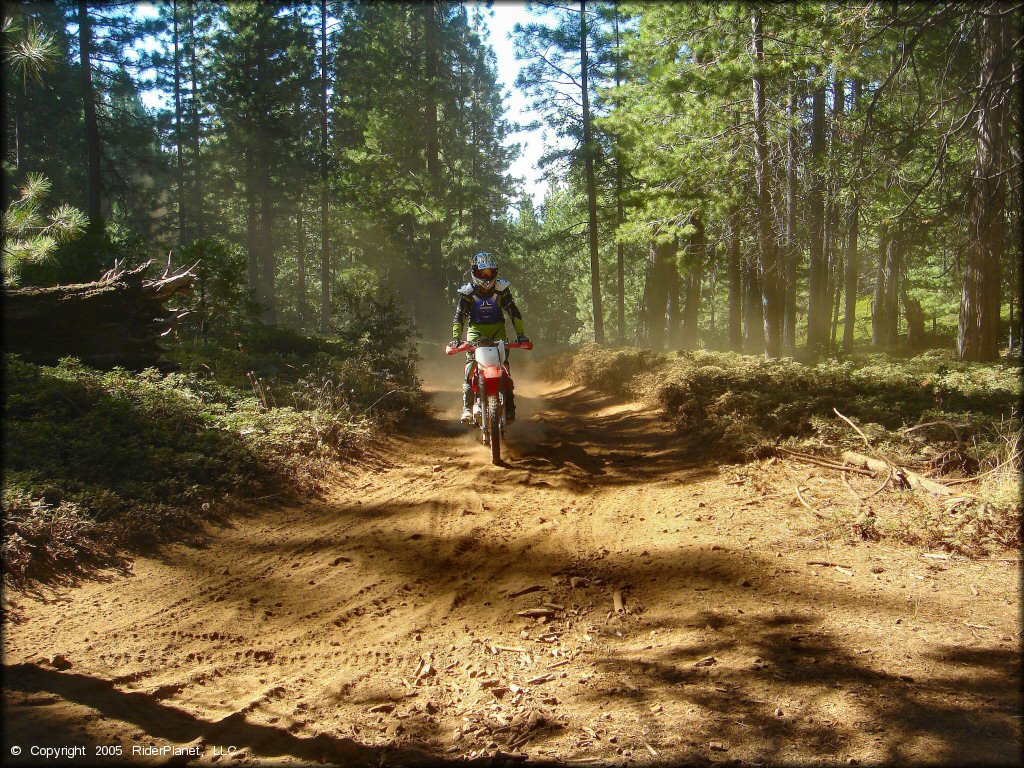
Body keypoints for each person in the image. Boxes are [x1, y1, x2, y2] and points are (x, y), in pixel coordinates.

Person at [451, 252, 529, 424]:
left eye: (489, 272)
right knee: (471, 364)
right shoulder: (468, 293)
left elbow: (513, 312)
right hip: (475, 333)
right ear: (475, 272)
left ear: (495, 272)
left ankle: (509, 407)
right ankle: (467, 406)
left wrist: (521, 336)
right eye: (482, 272)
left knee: (504, 367)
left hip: (498, 332)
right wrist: (455, 339)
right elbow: (460, 316)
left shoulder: (502, 290)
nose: (486, 276)